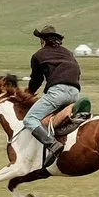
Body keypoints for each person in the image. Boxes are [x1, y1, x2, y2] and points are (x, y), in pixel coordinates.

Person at [20, 25, 83, 163]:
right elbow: (77, 71)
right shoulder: (68, 53)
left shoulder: (38, 55)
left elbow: (36, 80)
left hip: (57, 92)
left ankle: (53, 145)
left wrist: (29, 93)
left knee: (30, 120)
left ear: (43, 40)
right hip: (75, 93)